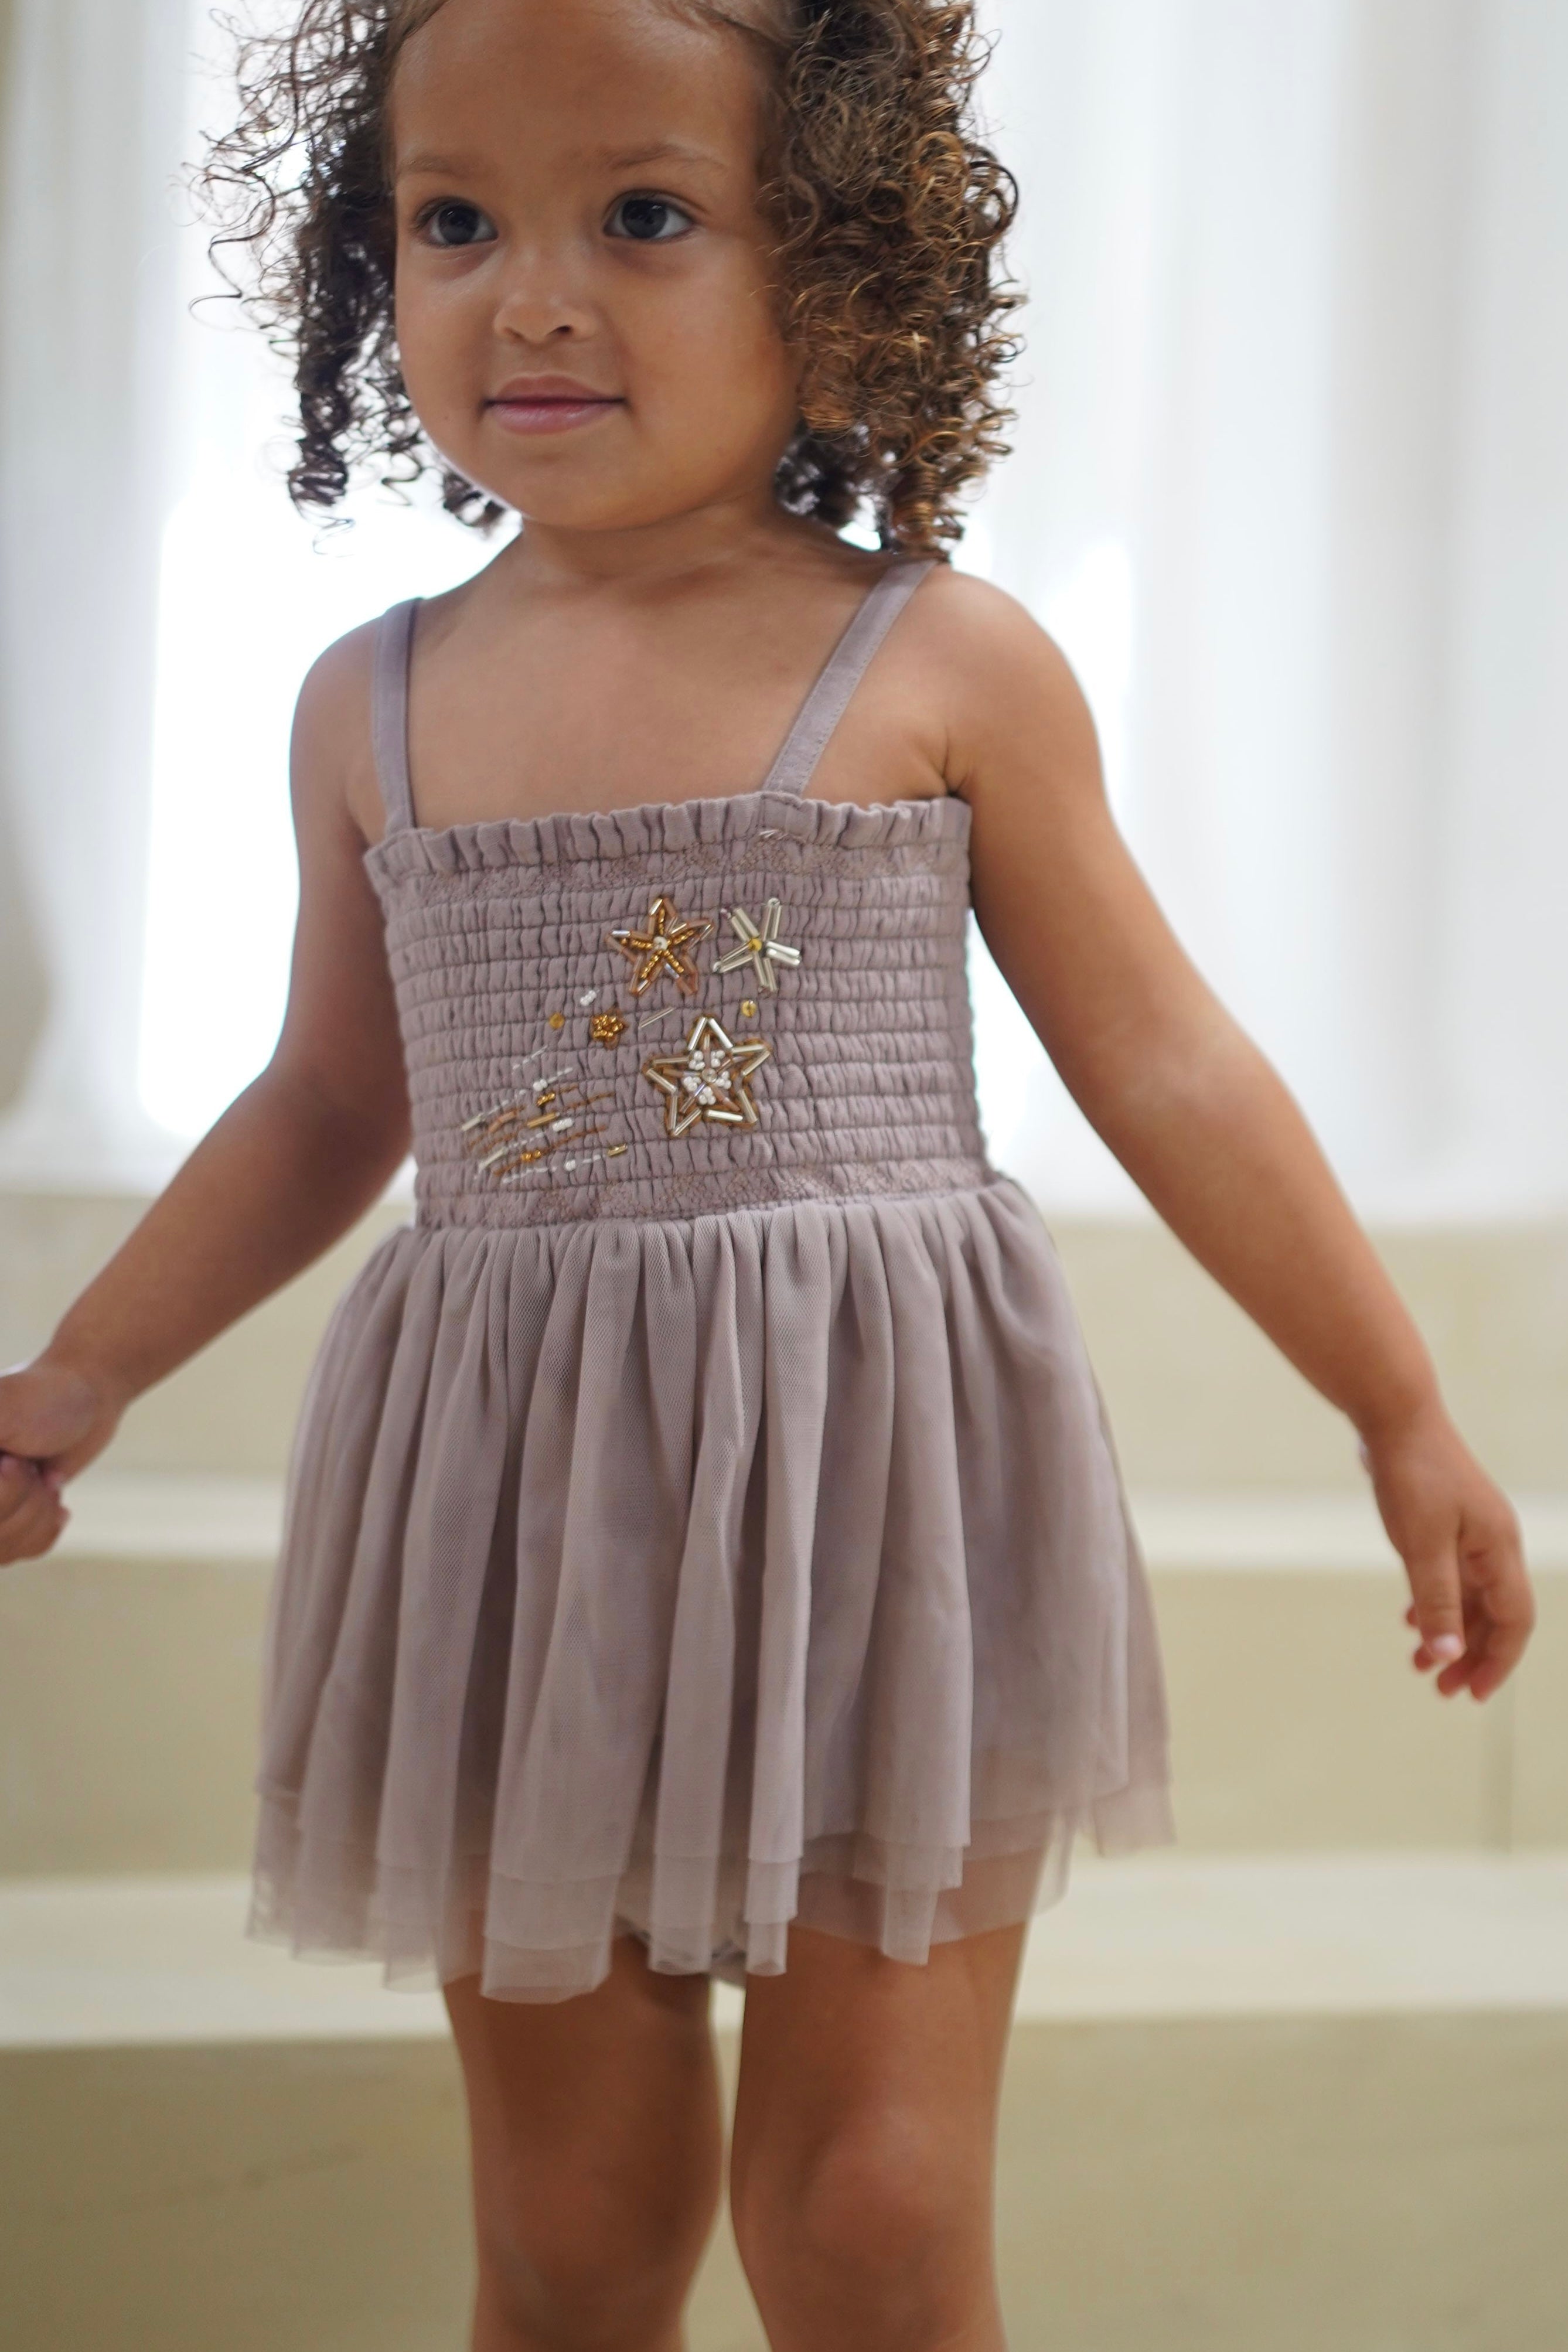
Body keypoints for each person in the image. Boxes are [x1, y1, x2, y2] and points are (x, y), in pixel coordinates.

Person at [0, 3, 1535, 2347]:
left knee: (873, 2214)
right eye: (454, 221)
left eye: (641, 216)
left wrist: (1395, 1400)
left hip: (871, 1481)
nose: (531, 298)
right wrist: (88, 1370)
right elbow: (327, 1097)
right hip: (521, 1498)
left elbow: (1166, 1062)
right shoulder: (369, 703)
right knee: (573, 2226)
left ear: (837, 269)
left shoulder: (943, 662)